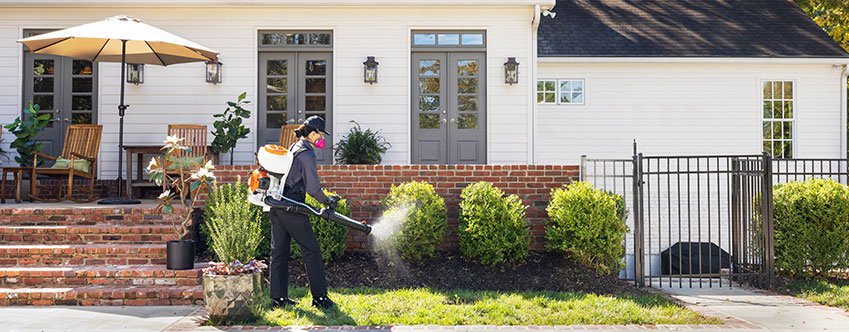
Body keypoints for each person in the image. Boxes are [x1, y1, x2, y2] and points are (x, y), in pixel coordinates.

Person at [269, 115, 340, 310]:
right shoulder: (306, 154)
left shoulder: (294, 147)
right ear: (313, 133)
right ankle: (320, 298)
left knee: (279, 253)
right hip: (292, 207)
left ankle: (278, 299)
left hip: (277, 205)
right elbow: (313, 188)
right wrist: (327, 201)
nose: (321, 139)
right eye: (320, 134)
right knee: (312, 251)